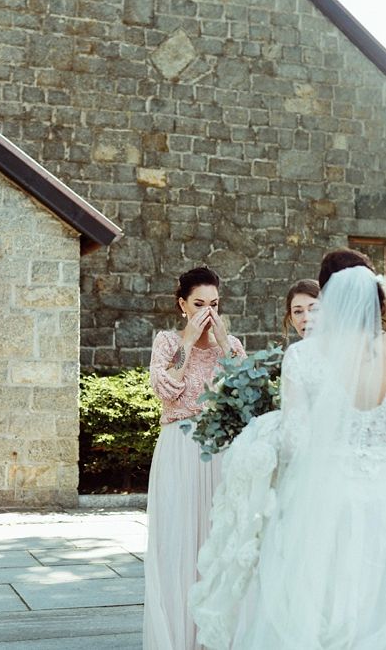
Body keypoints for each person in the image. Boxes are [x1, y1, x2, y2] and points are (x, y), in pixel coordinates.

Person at [191, 248, 386, 649]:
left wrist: (264, 435)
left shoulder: (304, 355)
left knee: (314, 607)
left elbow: (296, 439)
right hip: (379, 494)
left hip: (325, 499)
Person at [144, 266, 246, 650]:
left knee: (218, 542)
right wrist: (189, 339)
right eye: (200, 304)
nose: (208, 312)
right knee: (179, 542)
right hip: (180, 449)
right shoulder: (168, 341)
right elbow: (167, 388)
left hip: (221, 451)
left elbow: (242, 392)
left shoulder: (230, 344)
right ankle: (179, 638)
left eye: (215, 304)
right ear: (182, 304)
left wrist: (222, 342)